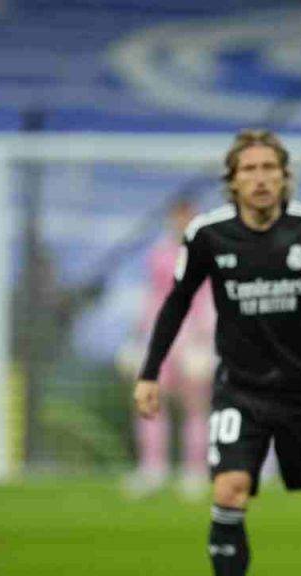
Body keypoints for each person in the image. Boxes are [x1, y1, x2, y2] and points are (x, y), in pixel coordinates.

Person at [133, 129, 301, 576]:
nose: (260, 178)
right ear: (233, 180)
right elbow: (176, 302)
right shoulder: (208, 235)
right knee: (229, 491)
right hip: (240, 392)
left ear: (285, 177)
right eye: (250, 169)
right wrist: (150, 373)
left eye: (269, 168)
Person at [119, 199, 215, 499]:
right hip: (160, 336)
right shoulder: (159, 254)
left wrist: (206, 338)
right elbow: (152, 296)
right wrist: (137, 336)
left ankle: (195, 471)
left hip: (193, 337)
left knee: (195, 406)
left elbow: (211, 298)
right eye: (178, 218)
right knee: (150, 403)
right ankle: (152, 468)